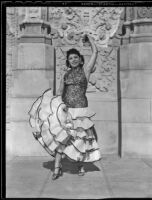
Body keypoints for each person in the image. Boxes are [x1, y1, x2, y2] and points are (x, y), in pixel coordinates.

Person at [28, 33, 101, 180]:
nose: (73, 60)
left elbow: (95, 52)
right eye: (70, 58)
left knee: (80, 139)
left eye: (75, 57)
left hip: (80, 110)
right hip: (67, 110)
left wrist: (90, 40)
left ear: (80, 60)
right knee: (62, 139)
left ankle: (80, 166)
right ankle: (57, 168)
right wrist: (56, 107)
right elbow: (60, 92)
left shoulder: (85, 71)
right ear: (68, 61)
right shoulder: (65, 75)